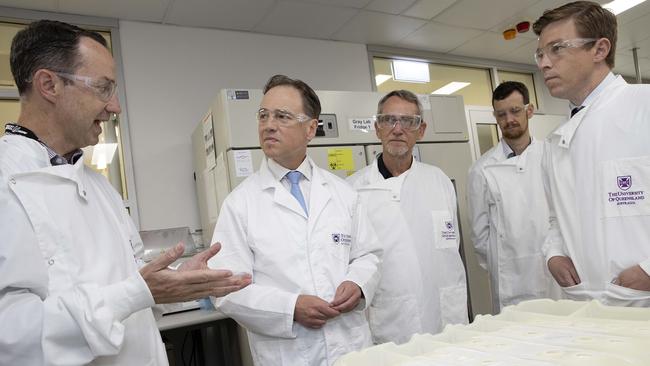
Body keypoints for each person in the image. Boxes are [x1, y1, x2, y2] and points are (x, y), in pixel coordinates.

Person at [0, 20, 251, 365]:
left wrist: (177, 283)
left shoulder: (98, 185)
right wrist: (135, 292)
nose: (115, 106)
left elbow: (132, 281)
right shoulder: (6, 180)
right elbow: (12, 337)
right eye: (103, 88)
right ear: (49, 84)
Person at [207, 75, 381, 365]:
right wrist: (290, 308)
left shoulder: (342, 193)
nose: (268, 124)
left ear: (311, 128)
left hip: (351, 347)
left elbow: (368, 254)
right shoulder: (240, 204)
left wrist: (358, 283)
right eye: (263, 115)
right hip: (289, 354)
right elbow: (225, 289)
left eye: (282, 116)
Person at [533, 1, 650, 305]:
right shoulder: (555, 141)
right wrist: (554, 253)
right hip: (591, 306)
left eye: (557, 48)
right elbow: (557, 219)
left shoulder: (645, 107)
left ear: (599, 50)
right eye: (540, 53)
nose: (544, 63)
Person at [347, 90, 468, 345]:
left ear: (421, 130)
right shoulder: (352, 190)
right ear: (377, 128)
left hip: (444, 316)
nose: (398, 129)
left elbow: (451, 247)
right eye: (389, 120)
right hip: (391, 320)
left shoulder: (440, 181)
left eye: (408, 121)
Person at [467, 81, 559, 312]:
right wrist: (501, 265)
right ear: (495, 117)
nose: (509, 120)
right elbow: (480, 235)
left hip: (554, 269)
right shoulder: (482, 169)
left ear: (529, 110)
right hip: (510, 279)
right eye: (502, 114)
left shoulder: (552, 156)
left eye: (515, 111)